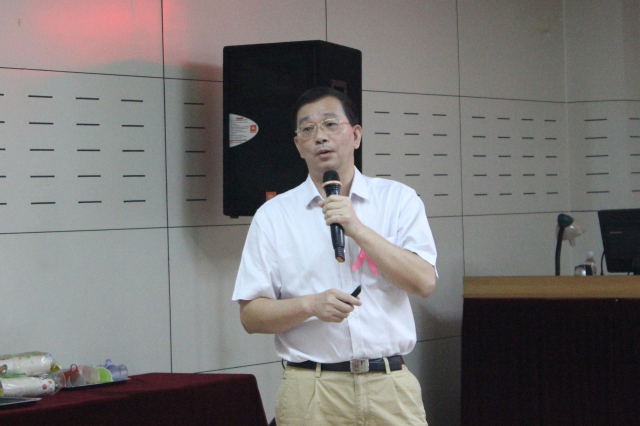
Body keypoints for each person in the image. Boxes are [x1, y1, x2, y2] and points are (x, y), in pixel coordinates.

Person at [232, 87, 437, 425]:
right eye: (308, 129)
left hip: (389, 386)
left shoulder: (398, 200)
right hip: (312, 391)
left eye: (330, 124)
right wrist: (310, 305)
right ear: (298, 145)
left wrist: (357, 228)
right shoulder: (273, 216)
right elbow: (251, 317)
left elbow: (424, 282)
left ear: (355, 135)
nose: (320, 137)